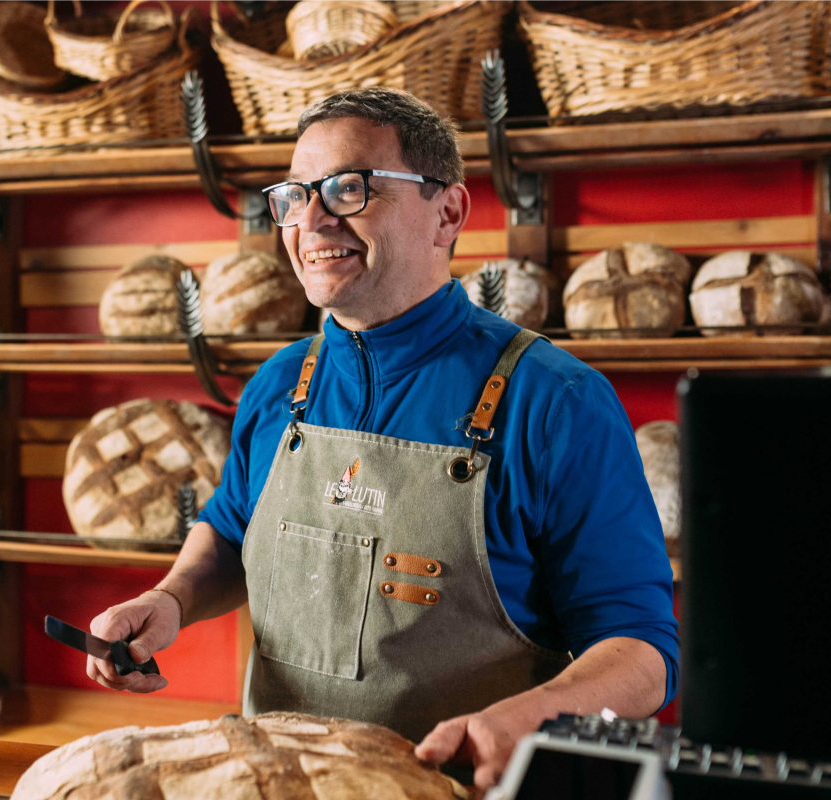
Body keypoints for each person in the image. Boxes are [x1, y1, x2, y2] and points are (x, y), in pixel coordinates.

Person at [84, 88, 678, 792]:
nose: (310, 220)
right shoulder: (280, 385)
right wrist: (173, 598)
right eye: (295, 195)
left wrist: (535, 716)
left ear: (448, 212)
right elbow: (232, 531)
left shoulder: (556, 401)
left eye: (347, 188)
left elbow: (641, 651)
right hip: (279, 785)